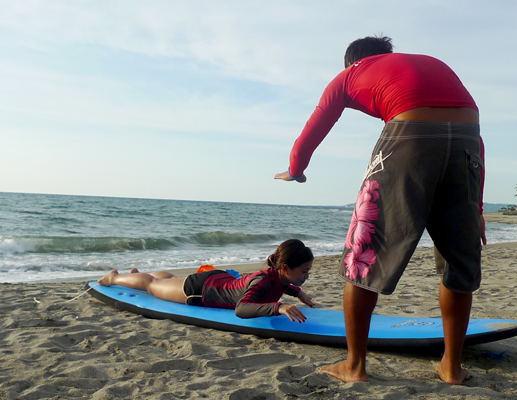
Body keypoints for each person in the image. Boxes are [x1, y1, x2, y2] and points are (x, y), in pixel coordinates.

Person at [275, 36, 486, 384]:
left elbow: (316, 125)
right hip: (467, 140)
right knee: (459, 264)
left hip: (409, 134)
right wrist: (476, 207)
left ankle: (355, 366)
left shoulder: (351, 73)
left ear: (352, 62)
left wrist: (295, 171)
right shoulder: (428, 63)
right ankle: (451, 367)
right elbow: (475, 141)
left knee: (364, 254)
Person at [97, 239, 315, 323]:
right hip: (201, 289)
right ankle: (114, 277)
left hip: (219, 279)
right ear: (285, 268)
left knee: (172, 280)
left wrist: (297, 292)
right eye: (304, 271)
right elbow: (241, 309)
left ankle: (134, 274)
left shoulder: (277, 275)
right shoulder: (262, 282)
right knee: (151, 286)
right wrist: (279, 307)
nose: (307, 276)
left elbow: (281, 284)